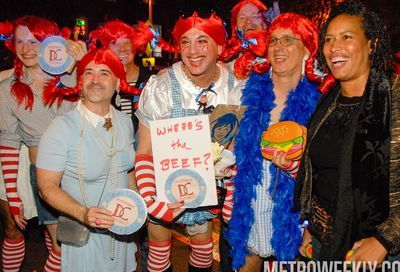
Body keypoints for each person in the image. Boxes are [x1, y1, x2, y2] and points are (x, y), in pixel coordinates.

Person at [134, 12, 242, 272]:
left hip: (207, 189)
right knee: (159, 253)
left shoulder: (235, 86)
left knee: (204, 251)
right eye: (185, 42)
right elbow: (145, 151)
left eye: (202, 41)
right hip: (162, 183)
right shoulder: (161, 86)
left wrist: (231, 185)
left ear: (219, 46)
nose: (192, 50)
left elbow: (237, 147)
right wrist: (150, 198)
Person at [294, 0, 400, 265]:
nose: (334, 47)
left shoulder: (394, 97)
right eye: (329, 39)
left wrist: (385, 239)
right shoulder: (328, 101)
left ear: (371, 44)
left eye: (347, 37)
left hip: (374, 249)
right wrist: (309, 225)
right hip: (323, 242)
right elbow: (319, 173)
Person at [227, 13, 322, 271]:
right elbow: (226, 145)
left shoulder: (320, 103)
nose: (278, 48)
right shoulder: (243, 92)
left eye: (289, 40)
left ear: (307, 50)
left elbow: (324, 170)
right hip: (249, 204)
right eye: (274, 40)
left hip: (292, 211)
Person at [36, 48, 139, 272]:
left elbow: (127, 171)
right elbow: (46, 187)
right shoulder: (62, 128)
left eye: (104, 73)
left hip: (121, 232)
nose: (95, 80)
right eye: (88, 72)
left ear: (118, 83)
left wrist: (139, 208)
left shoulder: (125, 121)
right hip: (84, 235)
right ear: (80, 81)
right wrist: (84, 213)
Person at [0, 16, 84, 272]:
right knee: (62, 247)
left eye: (34, 41)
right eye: (20, 41)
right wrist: (13, 197)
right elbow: (9, 142)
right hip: (44, 175)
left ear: (50, 42)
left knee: (78, 244)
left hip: (81, 170)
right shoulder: (8, 88)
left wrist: (84, 60)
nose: (26, 48)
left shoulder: (72, 76)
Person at [89, 20, 154, 130]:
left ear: (134, 46)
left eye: (126, 43)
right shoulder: (100, 82)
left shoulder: (151, 80)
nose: (122, 49)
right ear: (106, 49)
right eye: (114, 43)